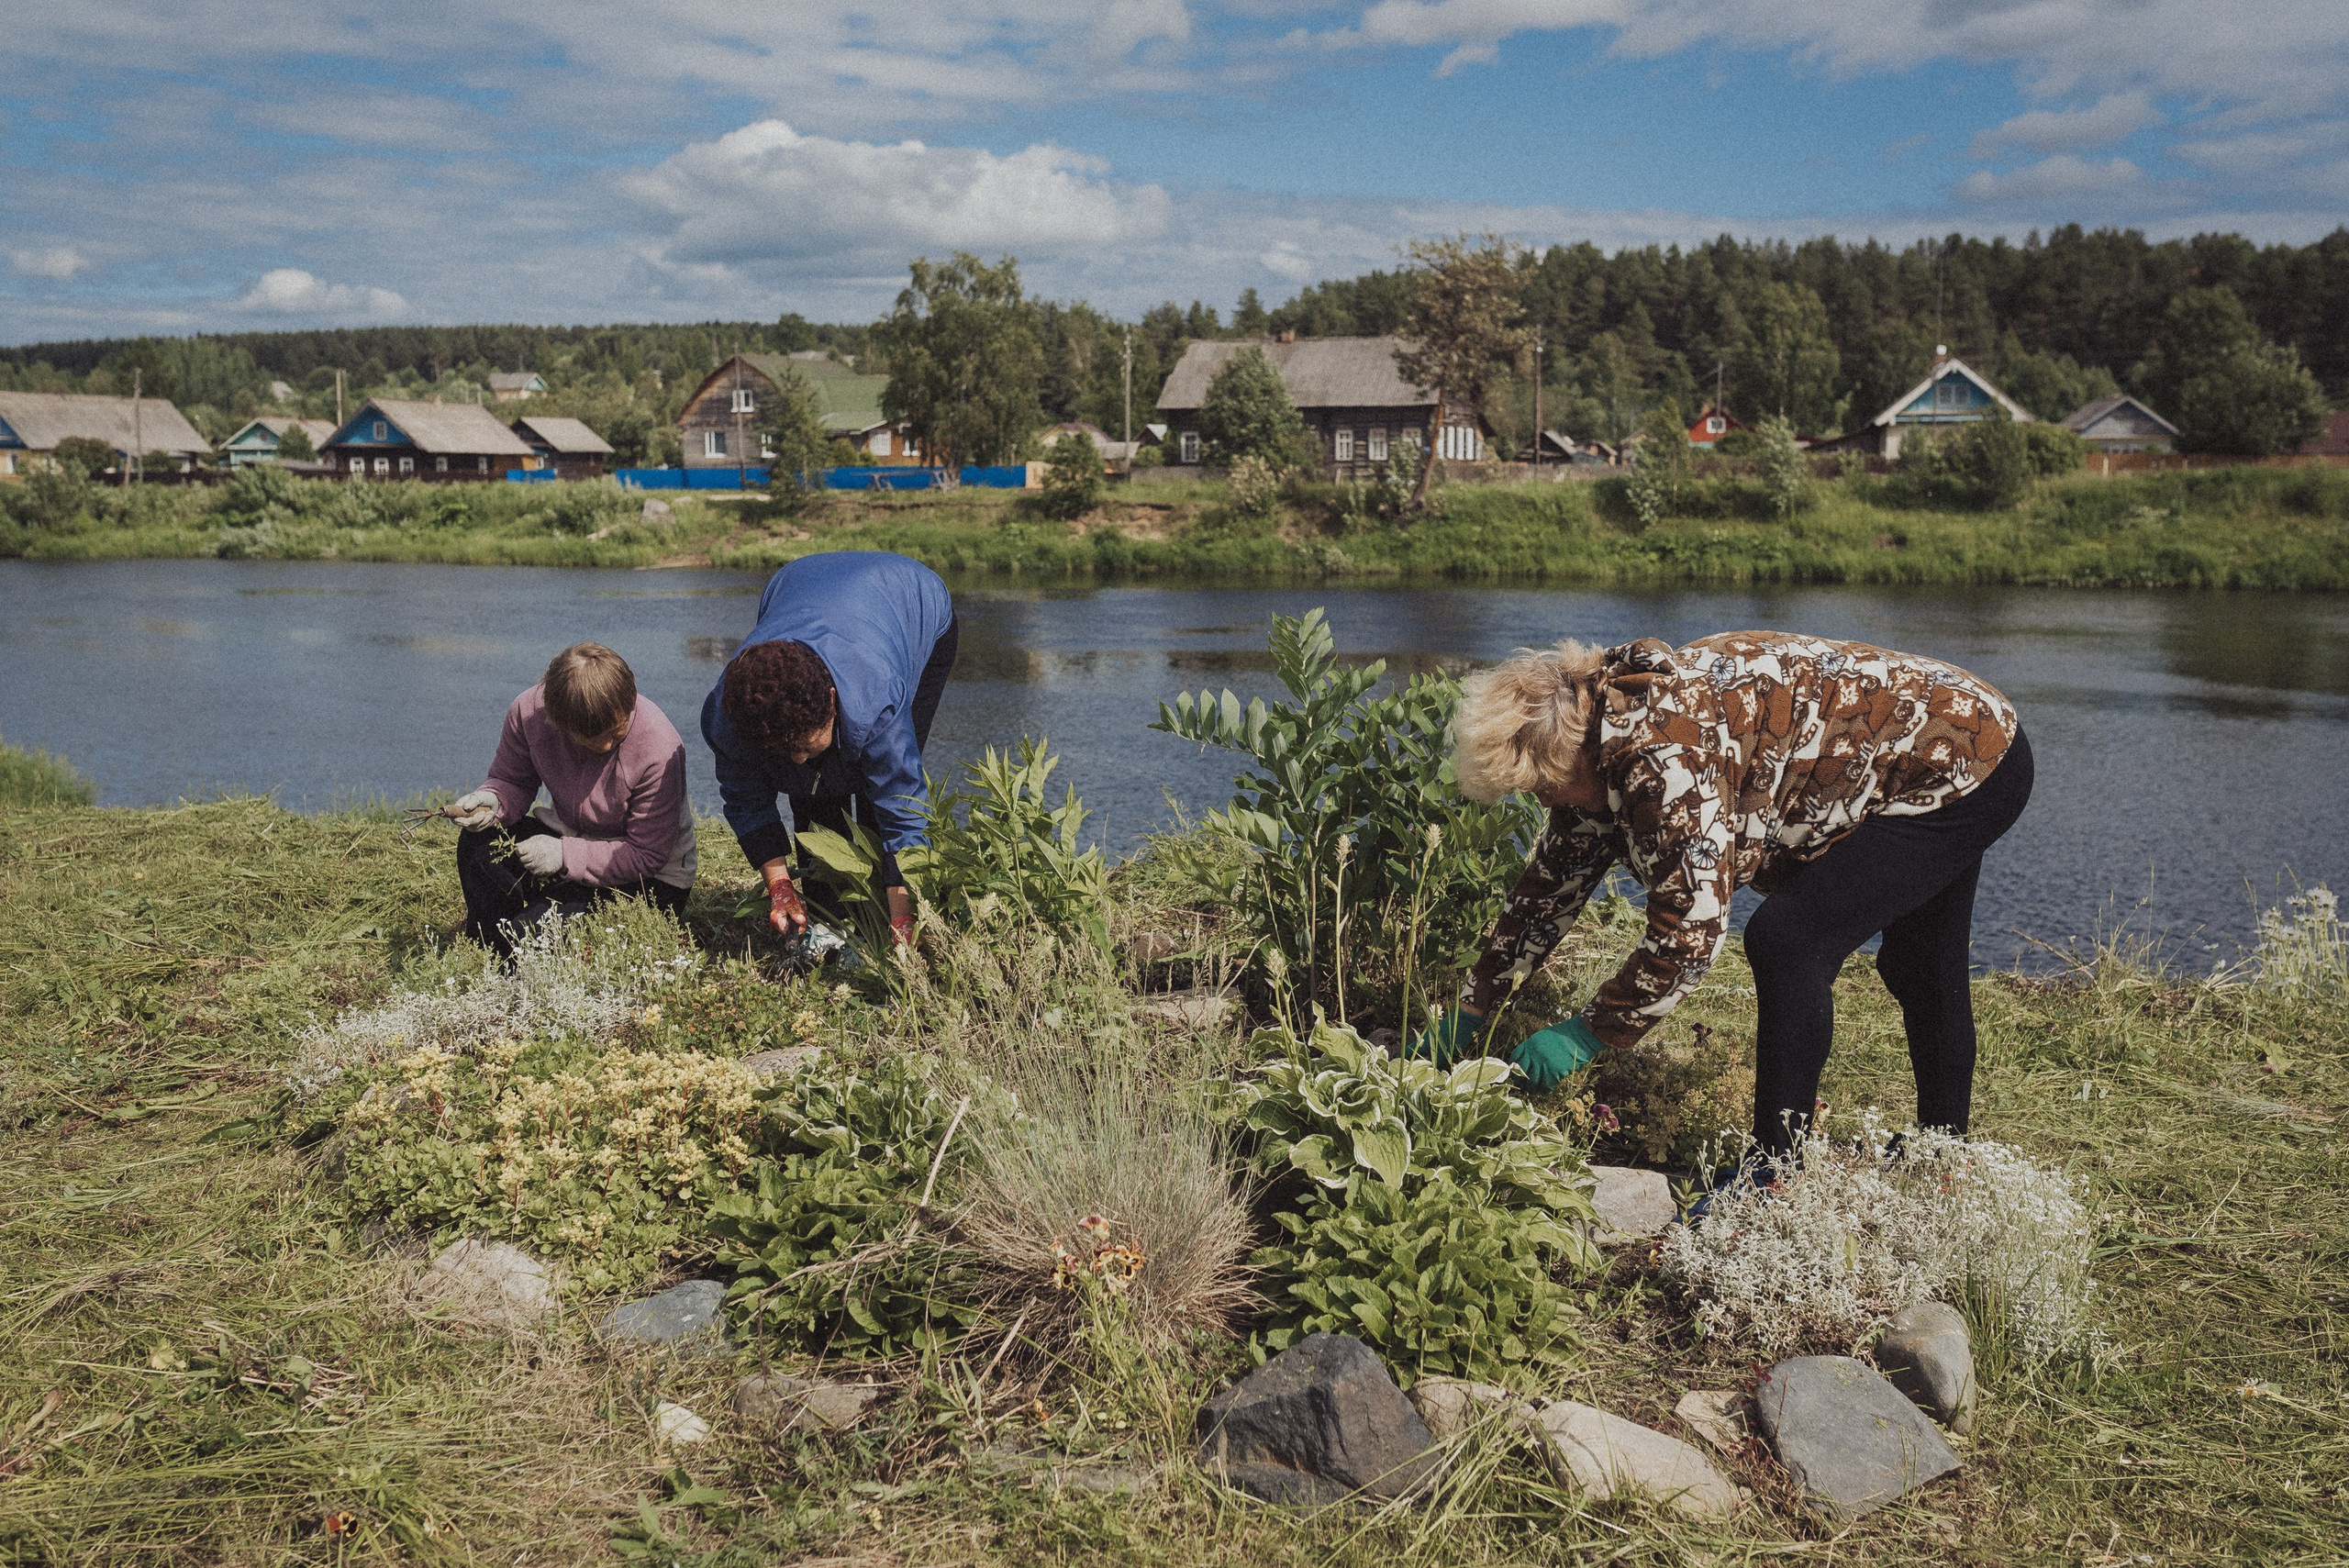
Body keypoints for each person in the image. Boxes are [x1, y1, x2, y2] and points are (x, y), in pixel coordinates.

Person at [1425, 630, 2032, 1162]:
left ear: (1572, 753)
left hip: (1961, 757)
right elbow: (1549, 886)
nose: (1543, 802)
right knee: (1919, 964)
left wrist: (1588, 1032)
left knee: (1788, 942)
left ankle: (1775, 1170)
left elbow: (1689, 934)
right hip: (1948, 742)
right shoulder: (1596, 728)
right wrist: (1473, 1007)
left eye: (1543, 788)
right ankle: (1943, 1156)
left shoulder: (1664, 759)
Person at [701, 551, 958, 951]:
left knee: (878, 794)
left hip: (912, 600)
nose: (799, 761)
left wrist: (905, 920)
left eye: (805, 745)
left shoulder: (878, 698)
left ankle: (882, 914)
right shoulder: (731, 712)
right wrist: (780, 885)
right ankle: (827, 918)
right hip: (795, 585)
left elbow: (902, 805)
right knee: (811, 789)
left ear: (833, 701)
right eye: (784, 752)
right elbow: (745, 797)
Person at [448, 642, 696, 956]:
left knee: (527, 939)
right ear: (558, 721)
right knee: (480, 844)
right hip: (570, 841)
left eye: (617, 734)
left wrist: (564, 856)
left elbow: (647, 855)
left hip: (650, 877)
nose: (607, 746)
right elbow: (512, 780)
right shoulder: (528, 714)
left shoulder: (659, 748)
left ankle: (515, 939)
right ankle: (485, 946)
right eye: (594, 738)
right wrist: (492, 802)